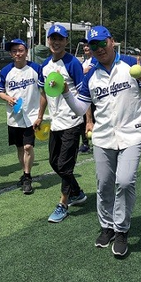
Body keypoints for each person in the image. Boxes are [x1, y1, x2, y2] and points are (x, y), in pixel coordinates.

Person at [62, 25, 141, 257]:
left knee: (124, 182)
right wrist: (66, 92)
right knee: (104, 184)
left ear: (112, 41)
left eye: (102, 43)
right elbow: (80, 109)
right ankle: (107, 226)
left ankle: (122, 229)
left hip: (131, 135)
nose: (99, 49)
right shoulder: (90, 76)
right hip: (103, 138)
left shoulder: (130, 64)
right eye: (93, 45)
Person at [34, 24, 87, 223]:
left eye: (60, 39)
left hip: (72, 121)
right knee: (54, 162)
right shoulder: (45, 66)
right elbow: (44, 93)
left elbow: (84, 95)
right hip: (55, 122)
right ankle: (77, 192)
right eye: (53, 38)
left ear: (66, 41)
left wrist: (89, 121)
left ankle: (63, 204)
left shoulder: (73, 63)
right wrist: (40, 116)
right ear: (48, 40)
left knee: (64, 165)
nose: (56, 42)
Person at [0, 38, 41, 195]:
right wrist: (8, 98)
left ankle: (27, 177)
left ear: (26, 51)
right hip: (14, 117)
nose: (17, 54)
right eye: (14, 51)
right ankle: (25, 172)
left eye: (20, 50)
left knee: (28, 146)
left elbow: (44, 89)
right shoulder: (6, 71)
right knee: (20, 147)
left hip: (32, 115)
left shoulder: (36, 68)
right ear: (11, 54)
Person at [78, 40, 95, 154]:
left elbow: (87, 71)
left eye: (88, 46)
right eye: (84, 46)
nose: (85, 48)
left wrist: (78, 72)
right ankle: (85, 143)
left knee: (94, 118)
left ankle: (96, 142)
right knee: (82, 119)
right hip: (83, 94)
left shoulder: (95, 60)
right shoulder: (84, 61)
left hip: (93, 95)